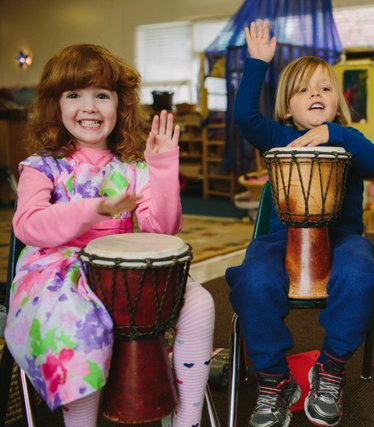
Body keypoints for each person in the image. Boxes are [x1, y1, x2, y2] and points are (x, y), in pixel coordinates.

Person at [3, 44, 215, 427]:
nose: (89, 106)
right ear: (55, 105)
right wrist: (95, 209)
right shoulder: (42, 166)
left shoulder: (131, 166)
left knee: (199, 304)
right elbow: (28, 225)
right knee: (79, 322)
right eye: (74, 95)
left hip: (122, 272)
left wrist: (163, 166)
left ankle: (188, 418)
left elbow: (162, 228)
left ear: (120, 105)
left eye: (101, 95)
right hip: (56, 274)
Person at [226, 20, 374, 427]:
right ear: (287, 107)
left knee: (360, 277)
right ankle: (275, 379)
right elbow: (245, 117)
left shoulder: (348, 137)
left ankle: (331, 368)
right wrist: (257, 64)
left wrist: (333, 133)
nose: (315, 93)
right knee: (252, 281)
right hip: (281, 237)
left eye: (324, 87)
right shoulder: (279, 136)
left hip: (342, 238)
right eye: (303, 89)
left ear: (337, 100)